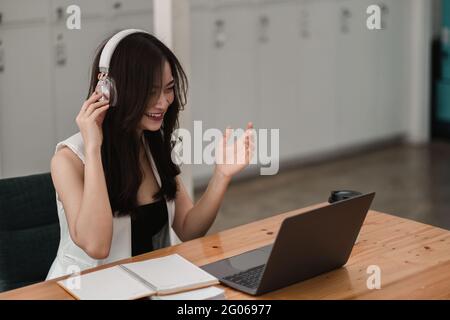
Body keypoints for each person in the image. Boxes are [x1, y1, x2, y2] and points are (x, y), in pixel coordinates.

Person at [46, 30, 254, 279]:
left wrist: (221, 175)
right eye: (150, 91)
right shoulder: (69, 160)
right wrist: (93, 148)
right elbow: (97, 246)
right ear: (109, 90)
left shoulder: (151, 145)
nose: (163, 102)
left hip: (152, 284)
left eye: (168, 89)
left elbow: (188, 229)